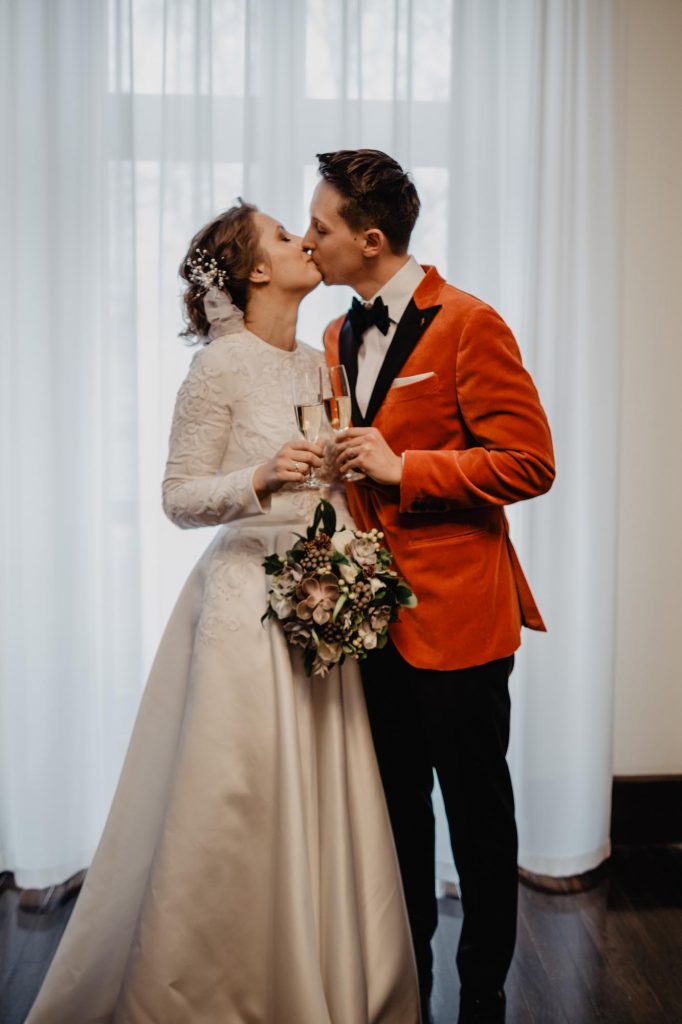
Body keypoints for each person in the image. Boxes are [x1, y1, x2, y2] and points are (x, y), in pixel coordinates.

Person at [25, 200, 421, 1024]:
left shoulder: (320, 362)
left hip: (324, 605)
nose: (304, 239)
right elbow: (177, 497)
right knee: (240, 794)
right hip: (246, 609)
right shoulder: (219, 367)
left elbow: (335, 479)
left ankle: (326, 975)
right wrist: (260, 479)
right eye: (284, 235)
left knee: (325, 792)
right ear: (256, 272)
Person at [303, 150, 556, 1024]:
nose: (309, 240)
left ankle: (483, 987)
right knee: (395, 813)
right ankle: (405, 973)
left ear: (371, 241)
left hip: (461, 618)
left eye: (322, 227)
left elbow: (530, 462)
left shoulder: (470, 323)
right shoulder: (334, 336)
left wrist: (405, 467)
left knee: (477, 815)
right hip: (368, 620)